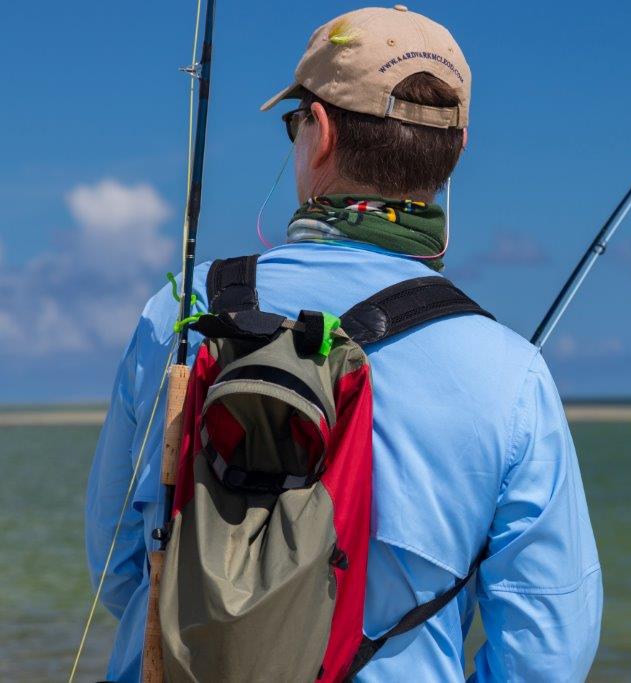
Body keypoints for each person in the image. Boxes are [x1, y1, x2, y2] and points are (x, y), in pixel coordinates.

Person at [86, 5, 602, 681]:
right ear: (456, 153)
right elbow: (546, 654)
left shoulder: (179, 312)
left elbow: (118, 568)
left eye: (293, 123)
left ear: (319, 132)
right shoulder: (511, 377)